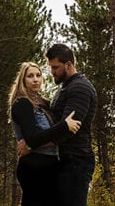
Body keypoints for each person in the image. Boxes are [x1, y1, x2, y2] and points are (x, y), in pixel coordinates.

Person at [17, 44, 97, 206]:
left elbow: (68, 131)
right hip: (64, 161)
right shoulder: (65, 87)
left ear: (69, 65)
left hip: (77, 161)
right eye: (51, 67)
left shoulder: (79, 88)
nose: (52, 72)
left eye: (55, 67)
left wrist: (32, 145)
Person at [9, 61, 81, 205]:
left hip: (50, 164)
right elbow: (32, 138)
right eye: (30, 76)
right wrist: (64, 125)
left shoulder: (44, 104)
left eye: (38, 75)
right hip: (34, 165)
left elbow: (39, 139)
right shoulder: (22, 103)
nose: (35, 79)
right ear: (23, 80)